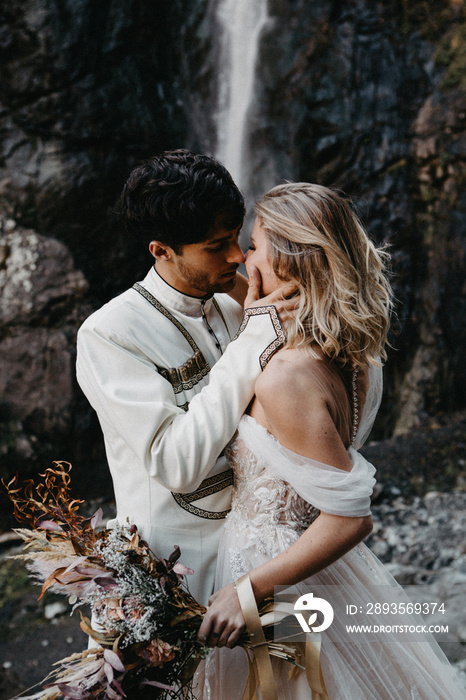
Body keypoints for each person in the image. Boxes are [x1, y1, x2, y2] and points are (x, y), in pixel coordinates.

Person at [197, 183, 466, 699]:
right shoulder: (359, 355)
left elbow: (351, 516)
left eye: (254, 247)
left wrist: (245, 593)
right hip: (328, 575)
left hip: (274, 581)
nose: (242, 259)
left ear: (293, 268)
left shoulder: (285, 377)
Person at [76, 150, 295, 608]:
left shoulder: (241, 304)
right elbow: (175, 463)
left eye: (237, 237)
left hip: (265, 555)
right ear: (161, 250)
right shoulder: (109, 333)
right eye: (217, 246)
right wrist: (254, 340)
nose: (238, 256)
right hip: (179, 577)